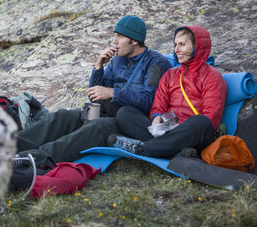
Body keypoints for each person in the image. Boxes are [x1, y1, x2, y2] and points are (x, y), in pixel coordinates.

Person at [15, 15, 171, 163]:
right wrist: (98, 66)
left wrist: (113, 93)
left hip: (129, 121)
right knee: (63, 117)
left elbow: (149, 102)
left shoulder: (156, 64)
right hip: (108, 111)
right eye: (115, 35)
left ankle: (32, 160)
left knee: (92, 129)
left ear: (135, 40)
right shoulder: (118, 60)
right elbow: (95, 95)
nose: (114, 41)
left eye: (120, 37)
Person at [109, 25, 228, 158]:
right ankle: (178, 152)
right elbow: (158, 104)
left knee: (202, 121)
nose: (176, 49)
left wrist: (181, 129)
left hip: (192, 133)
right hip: (167, 130)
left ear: (197, 47)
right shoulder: (171, 74)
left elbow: (211, 118)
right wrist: (156, 117)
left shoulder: (212, 76)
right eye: (175, 44)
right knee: (124, 113)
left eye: (182, 44)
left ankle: (146, 149)